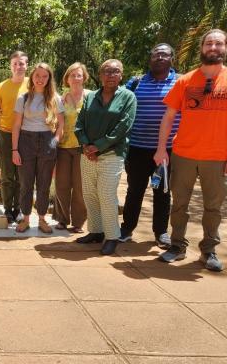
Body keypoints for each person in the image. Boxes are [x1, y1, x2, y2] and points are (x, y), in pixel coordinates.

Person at [155, 29, 227, 271]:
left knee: (213, 207)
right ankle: (177, 246)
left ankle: (208, 250)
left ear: (226, 48)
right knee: (178, 204)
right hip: (183, 153)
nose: (213, 47)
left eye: (218, 43)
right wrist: (161, 149)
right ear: (202, 48)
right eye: (209, 43)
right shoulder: (185, 80)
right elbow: (169, 116)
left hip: (218, 156)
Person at [119, 44, 180, 249]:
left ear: (172, 58)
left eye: (164, 54)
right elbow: (120, 104)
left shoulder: (180, 82)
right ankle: (126, 228)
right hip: (137, 148)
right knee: (134, 190)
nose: (160, 57)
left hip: (167, 150)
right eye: (156, 54)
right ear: (150, 58)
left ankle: (161, 232)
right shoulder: (136, 82)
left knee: (162, 191)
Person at [74, 59, 137, 255]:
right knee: (90, 194)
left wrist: (98, 147)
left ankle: (112, 236)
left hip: (111, 154)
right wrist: (86, 145)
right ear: (100, 75)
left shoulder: (128, 97)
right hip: (87, 154)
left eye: (115, 71)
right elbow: (80, 123)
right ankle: (96, 231)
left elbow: (123, 127)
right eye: (107, 72)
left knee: (106, 195)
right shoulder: (91, 96)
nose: (111, 75)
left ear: (121, 75)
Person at [11, 63, 64, 233]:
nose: (40, 79)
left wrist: (55, 140)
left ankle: (42, 219)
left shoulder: (55, 98)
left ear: (49, 79)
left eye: (44, 76)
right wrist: (14, 150)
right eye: (37, 76)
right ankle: (25, 219)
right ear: (32, 77)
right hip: (26, 142)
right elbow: (16, 126)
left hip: (47, 141)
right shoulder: (23, 98)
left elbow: (61, 123)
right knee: (26, 183)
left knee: (44, 184)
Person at [0, 51, 29, 225]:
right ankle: (7, 210)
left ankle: (18, 210)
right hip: (5, 134)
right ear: (10, 66)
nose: (18, 67)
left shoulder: (34, 85)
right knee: (7, 175)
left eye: (21, 63)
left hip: (28, 134)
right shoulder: (0, 87)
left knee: (23, 176)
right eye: (15, 64)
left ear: (27, 65)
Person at [53, 63, 90, 233]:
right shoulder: (60, 99)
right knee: (61, 185)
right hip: (62, 148)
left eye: (79, 75)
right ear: (67, 78)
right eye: (72, 75)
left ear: (84, 77)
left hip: (82, 148)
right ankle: (61, 219)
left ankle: (78, 222)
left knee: (80, 186)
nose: (76, 78)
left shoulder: (91, 97)